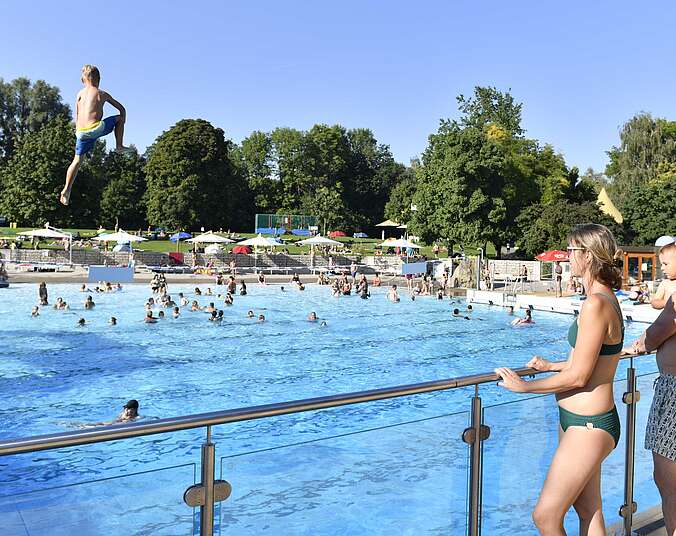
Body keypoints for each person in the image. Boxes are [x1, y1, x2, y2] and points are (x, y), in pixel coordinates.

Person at [495, 223, 625, 536]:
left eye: (571, 250)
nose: (567, 256)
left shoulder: (596, 304)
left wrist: (524, 386)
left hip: (588, 425)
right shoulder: (602, 298)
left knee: (546, 516)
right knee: (588, 511)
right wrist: (554, 366)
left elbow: (580, 376)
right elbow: (591, 360)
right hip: (581, 421)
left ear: (589, 256)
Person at [60, 65, 130, 205]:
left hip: (80, 132)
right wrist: (122, 122)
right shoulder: (101, 93)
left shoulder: (79, 94)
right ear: (98, 80)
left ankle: (67, 189)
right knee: (119, 118)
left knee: (77, 161)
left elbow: (78, 114)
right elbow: (122, 108)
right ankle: (119, 146)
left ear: (83, 80)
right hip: (95, 128)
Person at [651, 242, 676, 310]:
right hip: (669, 320)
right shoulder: (665, 283)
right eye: (661, 264)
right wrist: (665, 303)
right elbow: (654, 302)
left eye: (665, 264)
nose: (662, 268)